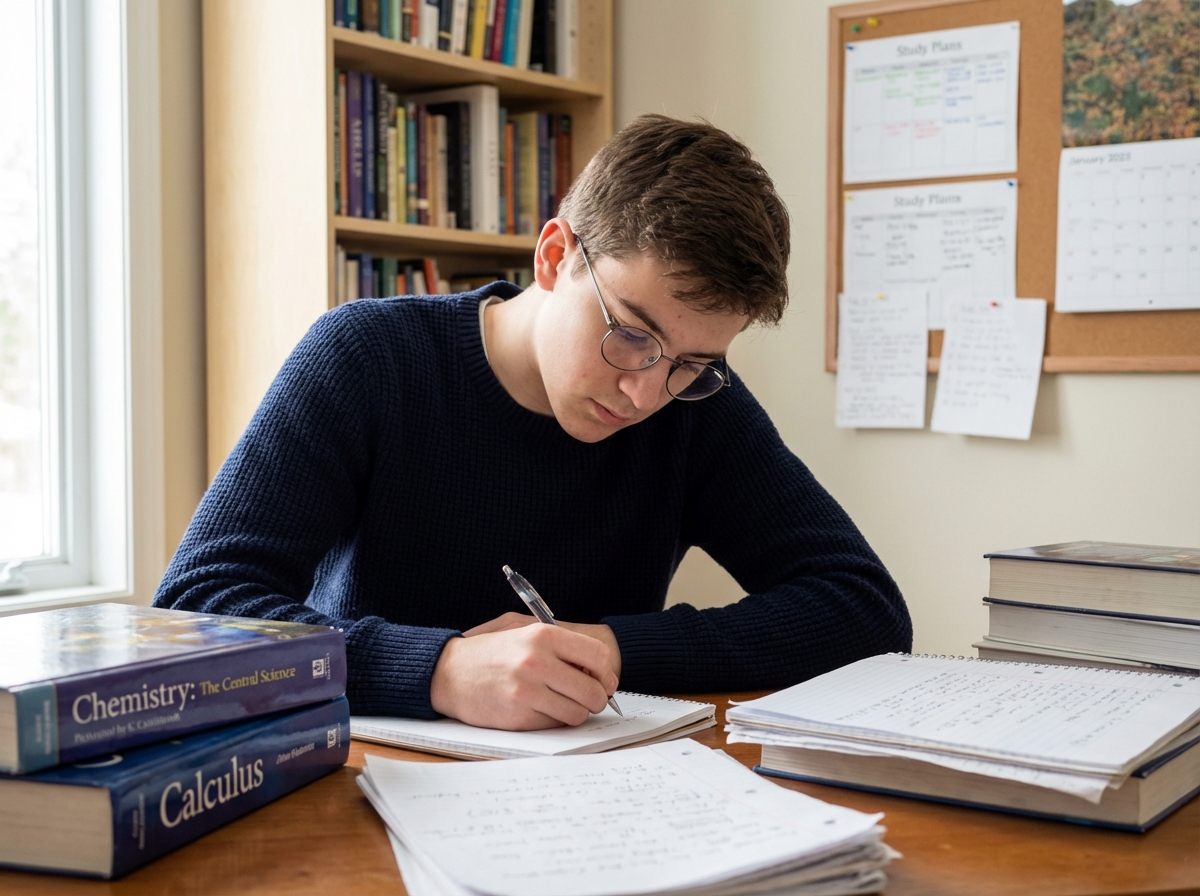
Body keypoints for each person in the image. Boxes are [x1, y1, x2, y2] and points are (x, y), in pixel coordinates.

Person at [154, 114, 911, 730]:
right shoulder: (368, 357)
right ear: (554, 256)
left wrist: (606, 648)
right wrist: (439, 670)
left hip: (586, 793)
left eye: (691, 362)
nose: (645, 392)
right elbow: (194, 609)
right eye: (632, 334)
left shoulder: (695, 404)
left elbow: (863, 607)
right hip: (359, 783)